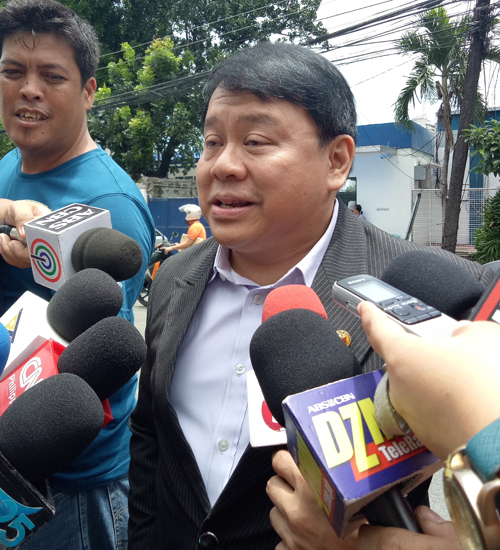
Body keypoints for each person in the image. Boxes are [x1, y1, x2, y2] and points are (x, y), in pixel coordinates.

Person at [127, 42, 493, 550]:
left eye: (255, 141)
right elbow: (150, 433)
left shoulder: (435, 297)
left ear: (336, 161)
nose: (223, 165)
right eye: (211, 142)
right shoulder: (173, 276)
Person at [0, 1, 155, 549]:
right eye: (13, 71)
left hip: (66, 488)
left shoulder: (109, 204)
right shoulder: (9, 166)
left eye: (52, 76)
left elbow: (99, 358)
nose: (29, 90)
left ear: (89, 91)